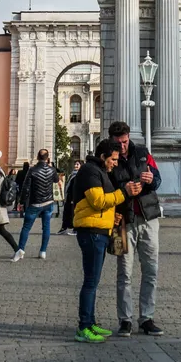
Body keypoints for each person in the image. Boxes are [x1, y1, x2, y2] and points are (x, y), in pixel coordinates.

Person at [71, 138, 142, 344]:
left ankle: (90, 322)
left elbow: (103, 205)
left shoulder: (101, 172)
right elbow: (98, 201)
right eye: (113, 159)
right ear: (103, 157)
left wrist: (113, 217)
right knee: (90, 282)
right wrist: (124, 192)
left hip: (100, 229)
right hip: (91, 231)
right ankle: (84, 327)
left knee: (94, 281)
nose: (115, 163)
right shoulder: (90, 171)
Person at [107, 121, 164, 336]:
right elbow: (105, 186)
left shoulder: (142, 153)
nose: (121, 146)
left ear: (129, 137)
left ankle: (147, 317)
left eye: (124, 141)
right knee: (124, 271)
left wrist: (151, 179)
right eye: (117, 143)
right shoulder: (108, 157)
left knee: (151, 269)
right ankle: (125, 319)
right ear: (111, 139)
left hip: (148, 217)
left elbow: (157, 178)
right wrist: (125, 189)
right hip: (121, 221)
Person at [16, 148, 57, 261]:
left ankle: (21, 250)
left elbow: (26, 187)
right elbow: (56, 180)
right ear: (48, 158)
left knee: (26, 227)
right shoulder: (52, 170)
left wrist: (21, 202)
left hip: (35, 203)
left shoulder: (32, 170)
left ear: (38, 157)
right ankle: (43, 251)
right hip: (48, 202)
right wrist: (50, 167)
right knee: (46, 227)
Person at [57, 159, 83, 236]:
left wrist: (73, 198)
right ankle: (63, 228)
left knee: (73, 214)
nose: (75, 165)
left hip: (73, 197)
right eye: (75, 164)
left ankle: (75, 229)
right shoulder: (72, 174)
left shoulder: (80, 175)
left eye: (77, 164)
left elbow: (76, 188)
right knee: (66, 213)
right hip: (69, 196)